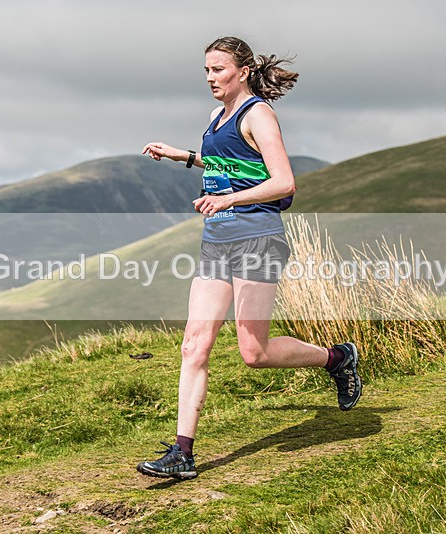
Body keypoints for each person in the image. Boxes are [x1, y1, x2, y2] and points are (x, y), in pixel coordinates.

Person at [136, 36, 361, 480]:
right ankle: (183, 453)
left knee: (253, 352)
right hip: (217, 241)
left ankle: (337, 359)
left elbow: (283, 181)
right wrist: (186, 158)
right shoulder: (216, 116)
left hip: (258, 239)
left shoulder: (259, 114)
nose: (210, 78)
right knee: (194, 345)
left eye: (218, 70)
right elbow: (234, 162)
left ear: (241, 71)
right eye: (205, 71)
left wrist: (229, 201)